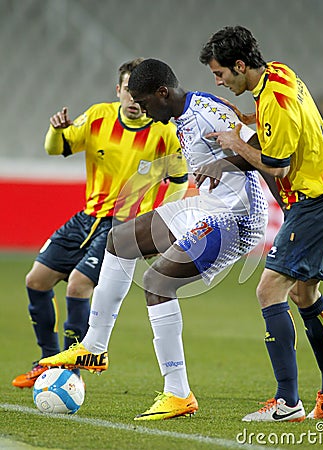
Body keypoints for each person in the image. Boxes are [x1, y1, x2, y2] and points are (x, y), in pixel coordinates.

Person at [39, 58, 271, 421]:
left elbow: (264, 152)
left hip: (237, 216)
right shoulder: (181, 114)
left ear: (162, 93)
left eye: (145, 103)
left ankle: (178, 393)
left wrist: (283, 207)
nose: (143, 111)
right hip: (207, 205)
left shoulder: (207, 114)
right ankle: (94, 347)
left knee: (157, 281)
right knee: (121, 239)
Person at [199, 25, 323, 422]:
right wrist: (243, 118)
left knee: (269, 290)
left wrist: (235, 144)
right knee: (304, 294)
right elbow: (271, 123)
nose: (218, 81)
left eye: (220, 74)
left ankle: (287, 402)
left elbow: (277, 164)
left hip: (314, 202)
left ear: (239, 65)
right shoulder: (278, 74)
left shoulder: (278, 100)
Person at [12, 58, 188, 389]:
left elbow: (179, 179)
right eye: (128, 91)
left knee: (80, 284)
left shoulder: (163, 130)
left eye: (139, 95)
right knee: (35, 280)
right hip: (88, 217)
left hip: (123, 227)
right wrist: (57, 130)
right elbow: (55, 148)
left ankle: (71, 368)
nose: (133, 101)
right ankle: (47, 361)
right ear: (119, 89)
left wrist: (162, 218)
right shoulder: (97, 116)